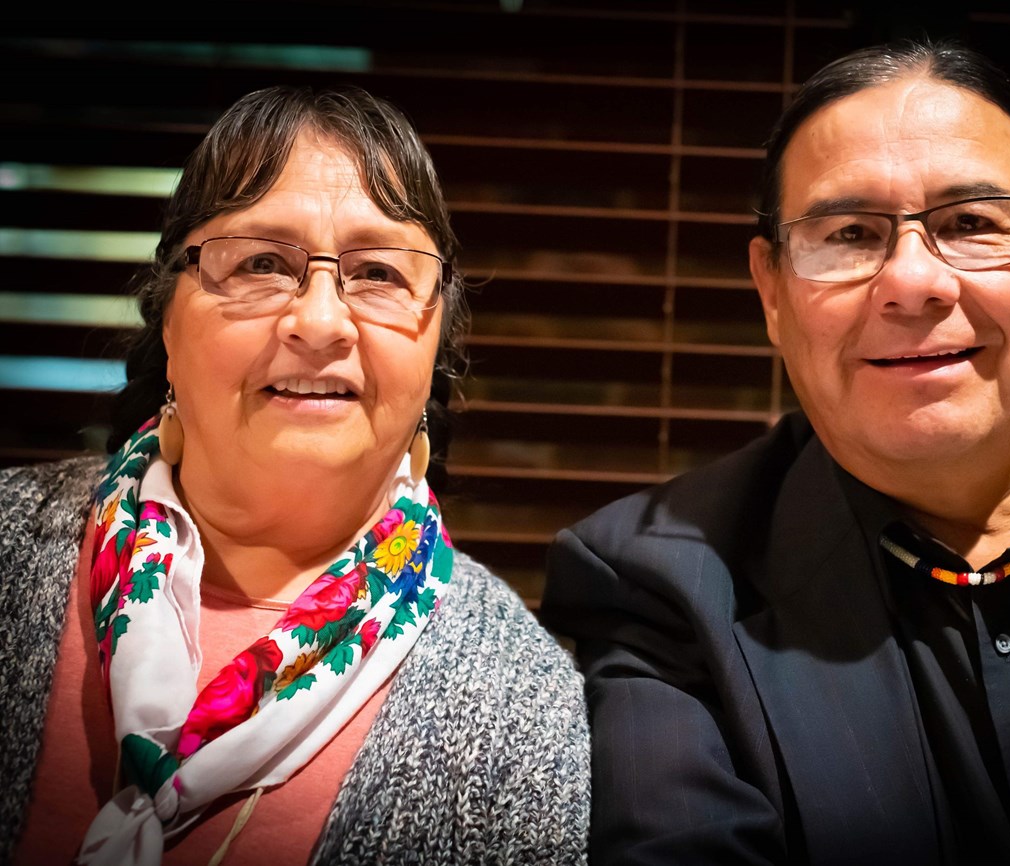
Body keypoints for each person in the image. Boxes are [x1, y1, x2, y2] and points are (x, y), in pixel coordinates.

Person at [540, 37, 1010, 865]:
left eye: (971, 223)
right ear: (771, 292)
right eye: (850, 233)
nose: (913, 280)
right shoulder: (658, 589)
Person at [0, 85, 589, 866]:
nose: (318, 322)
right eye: (261, 263)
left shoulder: (520, 706)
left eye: (377, 272)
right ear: (168, 321)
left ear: (435, 343)